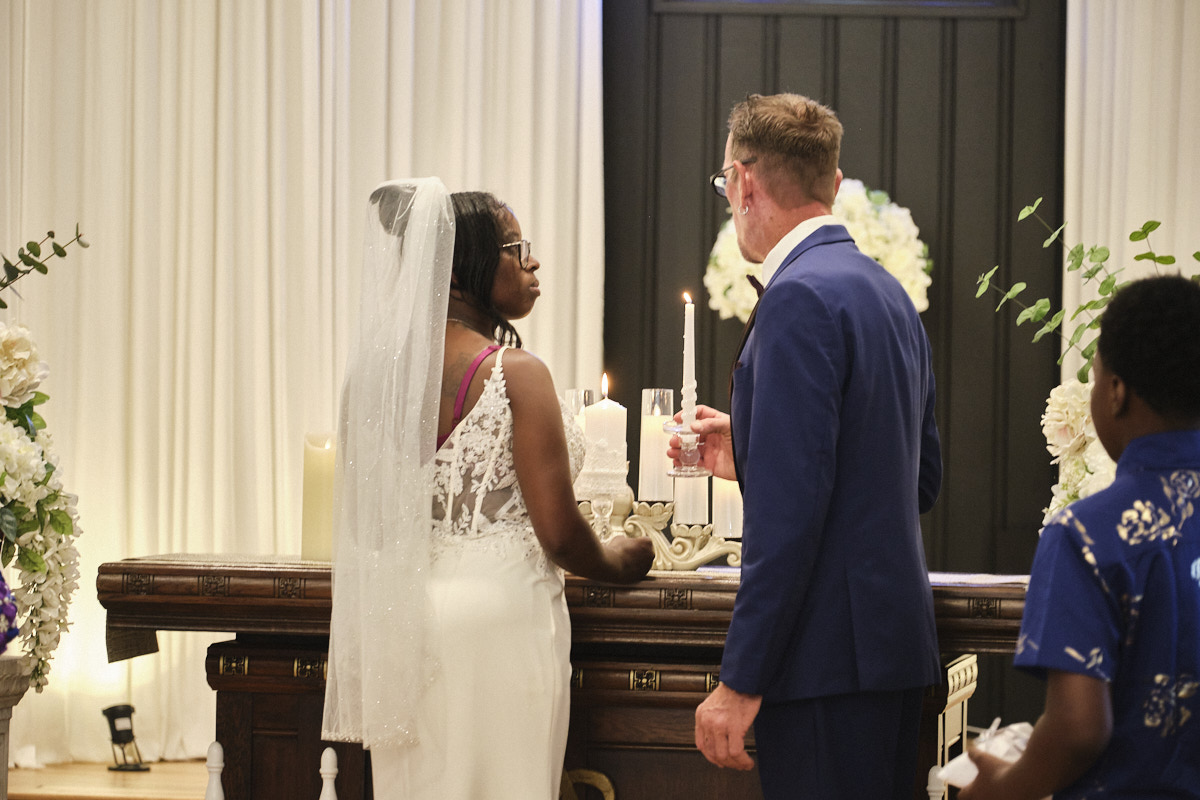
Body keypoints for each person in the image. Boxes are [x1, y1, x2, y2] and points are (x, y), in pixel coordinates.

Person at [321, 178, 653, 800]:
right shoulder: (516, 375)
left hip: (406, 623)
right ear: (456, 274)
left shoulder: (372, 383)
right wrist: (618, 559)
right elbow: (559, 534)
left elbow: (369, 526)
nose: (532, 261)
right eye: (514, 247)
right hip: (501, 622)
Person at [676, 93, 943, 798]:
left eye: (725, 184)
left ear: (743, 182)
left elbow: (789, 522)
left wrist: (740, 680)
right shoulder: (888, 293)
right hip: (892, 654)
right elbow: (918, 480)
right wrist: (755, 450)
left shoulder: (796, 297)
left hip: (824, 664)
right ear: (834, 179)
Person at [959, 274, 1200, 800]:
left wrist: (1003, 789)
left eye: (1094, 379)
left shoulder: (1088, 534)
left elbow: (1078, 729)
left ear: (1115, 392)